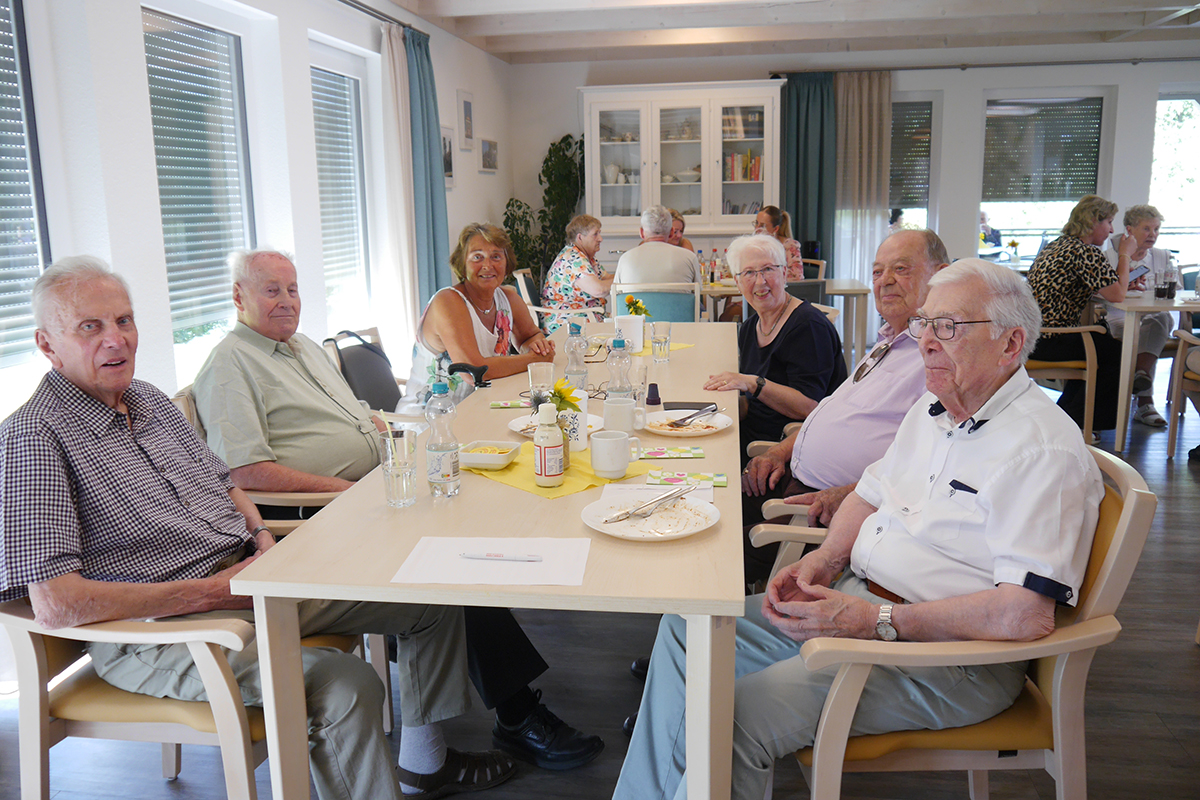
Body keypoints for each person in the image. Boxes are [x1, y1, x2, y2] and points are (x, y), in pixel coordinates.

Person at [0, 257, 518, 800]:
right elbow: (56, 604)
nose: (116, 340)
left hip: (248, 577)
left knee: (427, 599)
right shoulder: (34, 438)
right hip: (158, 629)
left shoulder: (149, 401)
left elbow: (225, 482)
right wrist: (211, 593)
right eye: (91, 327)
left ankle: (424, 763)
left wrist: (260, 537)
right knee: (345, 685)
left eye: (124, 321)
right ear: (45, 343)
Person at [613, 259, 1103, 800]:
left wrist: (876, 620)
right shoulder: (935, 408)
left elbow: (1024, 614)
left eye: (949, 327)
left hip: (945, 660)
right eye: (924, 325)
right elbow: (869, 494)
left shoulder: (1042, 450)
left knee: (732, 718)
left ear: (1011, 344)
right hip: (856, 604)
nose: (926, 343)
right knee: (687, 628)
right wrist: (820, 563)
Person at [193, 248, 604, 771]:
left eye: (293, 289)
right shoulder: (230, 365)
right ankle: (515, 718)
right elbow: (245, 472)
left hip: (377, 486)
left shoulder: (300, 347)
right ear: (238, 297)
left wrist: (416, 437)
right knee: (454, 565)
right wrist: (347, 492)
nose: (287, 302)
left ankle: (490, 717)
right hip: (317, 520)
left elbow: (359, 419)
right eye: (271, 290)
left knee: (482, 514)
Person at [738, 229, 949, 582]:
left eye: (901, 268)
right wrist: (779, 452)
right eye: (878, 271)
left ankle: (720, 630)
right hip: (790, 477)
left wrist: (851, 495)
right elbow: (830, 411)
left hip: (820, 510)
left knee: (706, 550)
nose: (886, 281)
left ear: (940, 275)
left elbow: (925, 469)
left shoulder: (937, 358)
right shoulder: (887, 343)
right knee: (704, 499)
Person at [702, 234, 846, 461]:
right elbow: (754, 405)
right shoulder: (750, 328)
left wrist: (752, 382)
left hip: (782, 451)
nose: (760, 282)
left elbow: (810, 406)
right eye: (749, 273)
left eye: (768, 269)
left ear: (784, 273)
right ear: (737, 283)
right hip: (749, 435)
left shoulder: (808, 327)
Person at [405, 223, 555, 409]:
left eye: (496, 256)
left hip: (484, 407)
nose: (487, 265)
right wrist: (534, 360)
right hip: (432, 420)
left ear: (506, 262)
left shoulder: (508, 298)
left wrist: (537, 345)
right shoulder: (448, 301)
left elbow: (530, 335)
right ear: (462, 263)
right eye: (477, 257)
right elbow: (474, 371)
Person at [1027, 194, 1134, 435]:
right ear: (1094, 222)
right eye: (1108, 222)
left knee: (1099, 348)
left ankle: (1067, 418)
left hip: (1034, 336)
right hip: (1053, 338)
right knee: (1115, 353)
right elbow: (1117, 294)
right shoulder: (1084, 252)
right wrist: (1125, 254)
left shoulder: (1058, 245)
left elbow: (1105, 285)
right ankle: (1079, 423)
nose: (1111, 230)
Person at [1101, 204, 1181, 427]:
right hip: (1120, 319)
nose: (1153, 235)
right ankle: (1145, 401)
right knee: (1147, 330)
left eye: (1156, 230)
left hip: (1153, 320)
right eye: (1146, 229)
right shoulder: (1108, 257)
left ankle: (1141, 375)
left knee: (1161, 318)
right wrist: (1125, 287)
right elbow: (1100, 295)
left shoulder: (1163, 256)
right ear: (1129, 230)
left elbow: (1177, 291)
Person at [541, 214, 612, 335]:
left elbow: (607, 278)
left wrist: (622, 276)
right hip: (566, 322)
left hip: (583, 316)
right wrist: (622, 278)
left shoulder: (587, 258)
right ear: (580, 238)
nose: (600, 238)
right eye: (595, 234)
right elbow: (599, 290)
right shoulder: (574, 259)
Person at [613, 205, 703, 285]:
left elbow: (617, 293)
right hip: (676, 304)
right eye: (676, 231)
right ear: (671, 232)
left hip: (640, 304)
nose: (679, 235)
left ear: (641, 233)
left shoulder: (625, 258)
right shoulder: (689, 257)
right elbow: (697, 290)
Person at [753, 205, 805, 281]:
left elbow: (797, 275)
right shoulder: (753, 246)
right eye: (756, 223)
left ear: (776, 229)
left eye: (763, 225)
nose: (757, 228)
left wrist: (766, 274)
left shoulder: (789, 245)